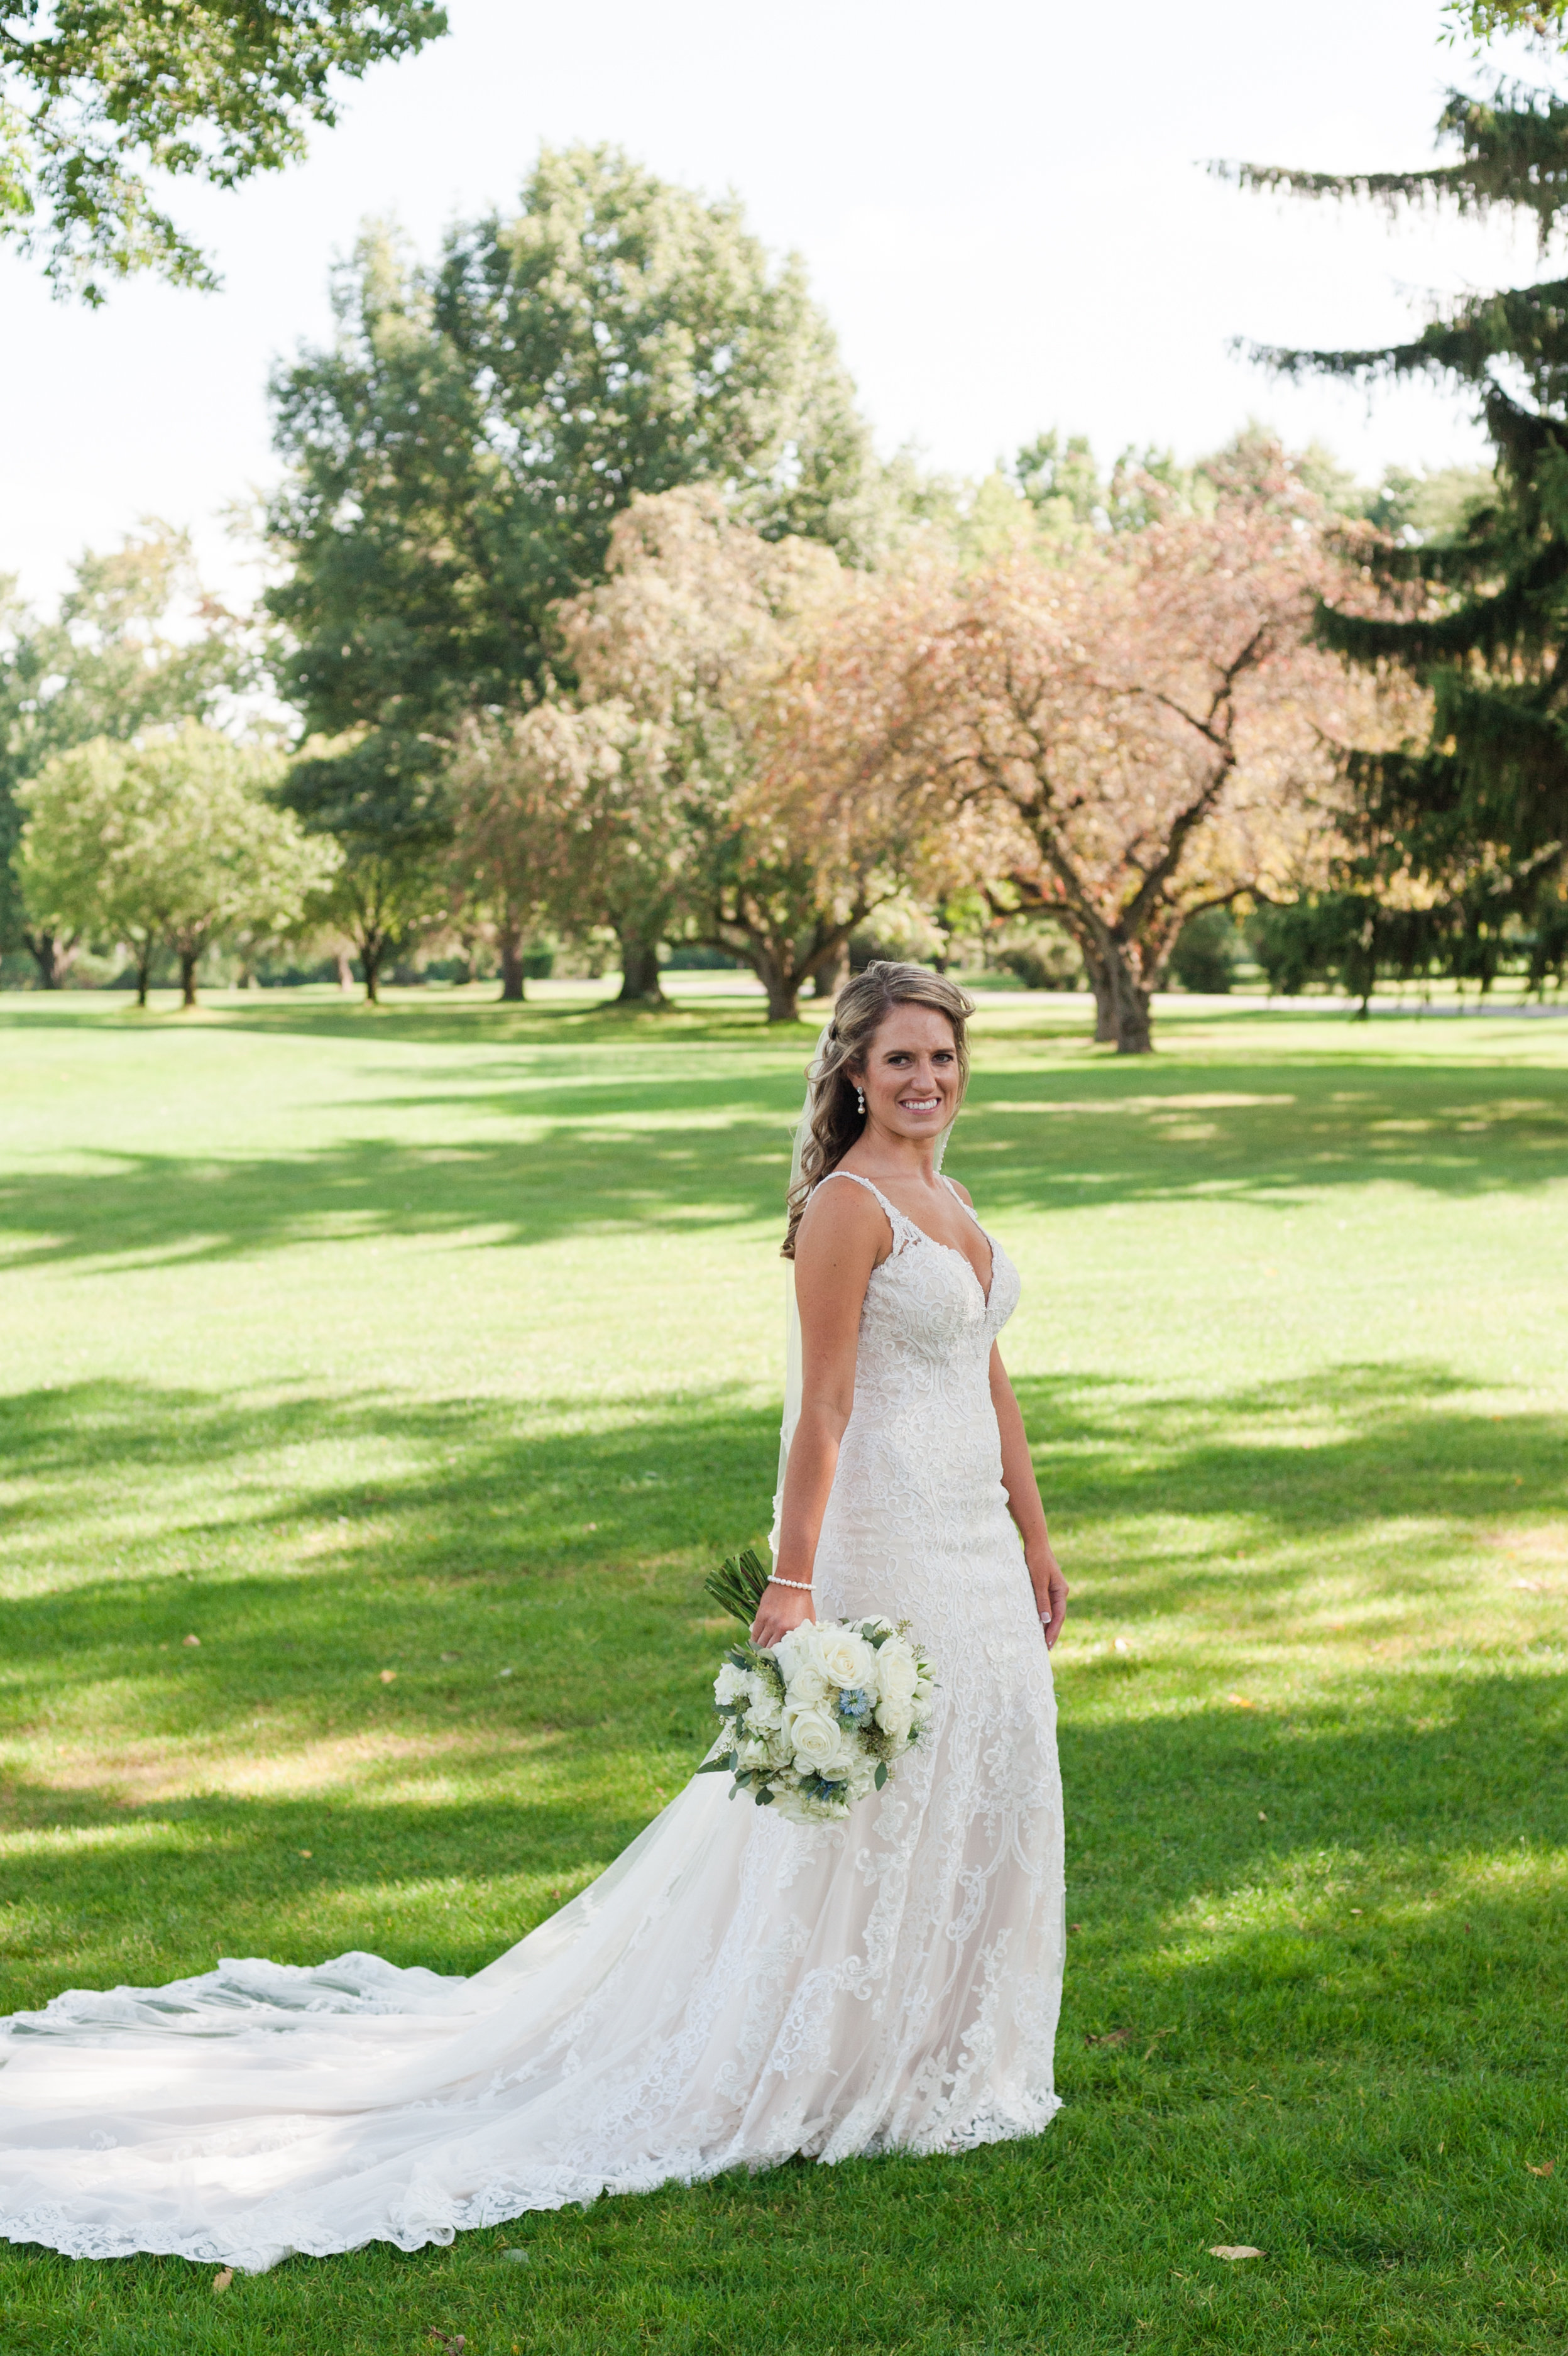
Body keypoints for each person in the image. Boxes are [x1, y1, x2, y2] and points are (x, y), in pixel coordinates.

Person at [0, 962, 1068, 2272]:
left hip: (974, 1537)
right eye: (900, 1060)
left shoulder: (950, 1196)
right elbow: (825, 1411)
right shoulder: (849, 1210)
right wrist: (793, 1582)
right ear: (853, 1072)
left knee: (984, 1780)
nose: (925, 1081)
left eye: (944, 1060)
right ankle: (832, 2065)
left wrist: (1033, 1533)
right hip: (889, 1536)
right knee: (876, 1800)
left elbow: (988, 1377)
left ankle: (945, 2056)